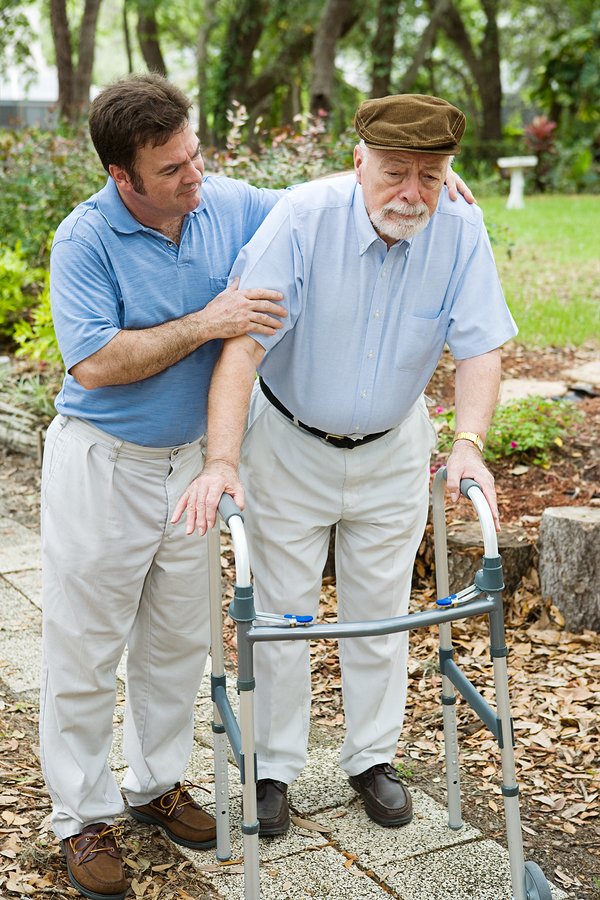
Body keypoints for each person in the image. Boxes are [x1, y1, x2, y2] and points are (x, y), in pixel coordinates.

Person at [41, 73, 473, 900]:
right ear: (122, 177)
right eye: (170, 171)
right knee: (87, 649)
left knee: (176, 644)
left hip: (193, 467)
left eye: (195, 157)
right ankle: (81, 815)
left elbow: (337, 194)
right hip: (105, 462)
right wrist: (212, 320)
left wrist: (423, 175)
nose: (193, 179)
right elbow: (94, 363)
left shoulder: (223, 202)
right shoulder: (84, 240)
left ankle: (153, 785)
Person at [173, 93, 518, 838]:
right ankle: (273, 768)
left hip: (392, 446)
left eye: (430, 176)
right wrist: (223, 458)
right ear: (357, 162)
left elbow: (481, 344)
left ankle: (371, 758)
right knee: (282, 613)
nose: (412, 193)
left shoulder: (459, 228)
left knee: (380, 613)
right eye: (396, 171)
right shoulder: (302, 219)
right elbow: (245, 346)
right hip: (290, 442)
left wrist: (469, 444)